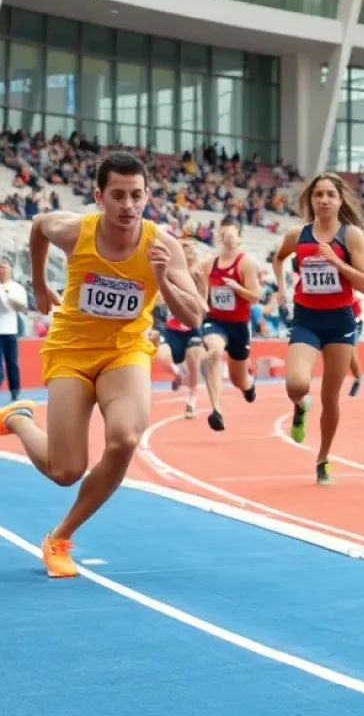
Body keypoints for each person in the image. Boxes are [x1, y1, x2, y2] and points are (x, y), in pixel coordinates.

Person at [0, 152, 206, 578]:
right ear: (99, 197)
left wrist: (163, 279)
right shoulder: (76, 231)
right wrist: (39, 283)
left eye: (136, 195)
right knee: (66, 471)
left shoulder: (162, 245)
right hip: (71, 351)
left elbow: (194, 317)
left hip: (124, 351)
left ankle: (60, 536)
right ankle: (20, 419)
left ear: (147, 196)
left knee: (125, 439)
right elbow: (38, 226)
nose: (128, 206)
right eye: (118, 195)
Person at [273, 173, 364, 485]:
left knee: (331, 398)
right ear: (311, 200)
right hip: (306, 318)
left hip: (340, 322)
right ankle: (300, 405)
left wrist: (337, 262)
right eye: (319, 195)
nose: (325, 200)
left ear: (340, 200)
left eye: (331, 194)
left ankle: (323, 459)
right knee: (296, 383)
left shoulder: (351, 235)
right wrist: (281, 288)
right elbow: (278, 260)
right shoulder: (297, 235)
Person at [200, 217, 260, 431]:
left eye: (231, 236)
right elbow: (189, 274)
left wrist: (236, 287)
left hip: (239, 326)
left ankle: (249, 385)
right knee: (214, 352)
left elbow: (255, 296)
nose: (226, 240)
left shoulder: (246, 263)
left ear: (239, 239)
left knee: (238, 380)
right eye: (223, 235)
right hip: (215, 321)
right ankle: (216, 410)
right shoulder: (209, 263)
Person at [155, 239, 208, 418]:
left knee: (194, 358)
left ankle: (191, 400)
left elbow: (203, 303)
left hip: (192, 327)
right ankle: (178, 374)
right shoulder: (167, 272)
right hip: (172, 327)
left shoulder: (197, 275)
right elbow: (157, 294)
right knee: (160, 355)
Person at [0, 260, 27, 402]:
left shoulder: (17, 288)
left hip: (10, 331)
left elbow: (24, 308)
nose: (1, 270)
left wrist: (10, 299)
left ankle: (15, 392)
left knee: (12, 363)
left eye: (4, 267)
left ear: (9, 270)